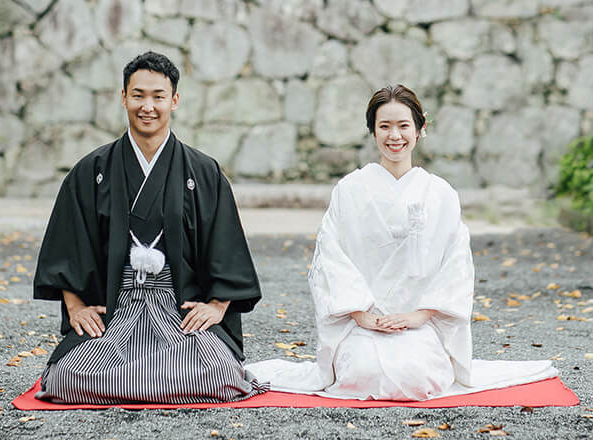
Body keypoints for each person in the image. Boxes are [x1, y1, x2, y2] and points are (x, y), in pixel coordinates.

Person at [246, 84, 558, 400]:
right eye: (384, 126)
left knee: (416, 377)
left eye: (403, 125)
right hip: (363, 321)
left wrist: (418, 316)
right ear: (373, 132)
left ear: (420, 130)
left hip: (420, 322)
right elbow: (331, 256)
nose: (395, 136)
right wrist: (362, 315)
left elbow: (456, 263)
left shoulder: (441, 193)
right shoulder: (350, 189)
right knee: (364, 374)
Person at [32, 51, 265, 404]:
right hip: (117, 307)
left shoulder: (202, 172)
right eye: (138, 95)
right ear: (123, 97)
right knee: (66, 379)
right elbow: (68, 243)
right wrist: (76, 306)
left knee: (219, 375)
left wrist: (217, 306)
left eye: (158, 97)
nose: (148, 106)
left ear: (174, 101)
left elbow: (226, 243)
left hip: (177, 307)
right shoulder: (91, 171)